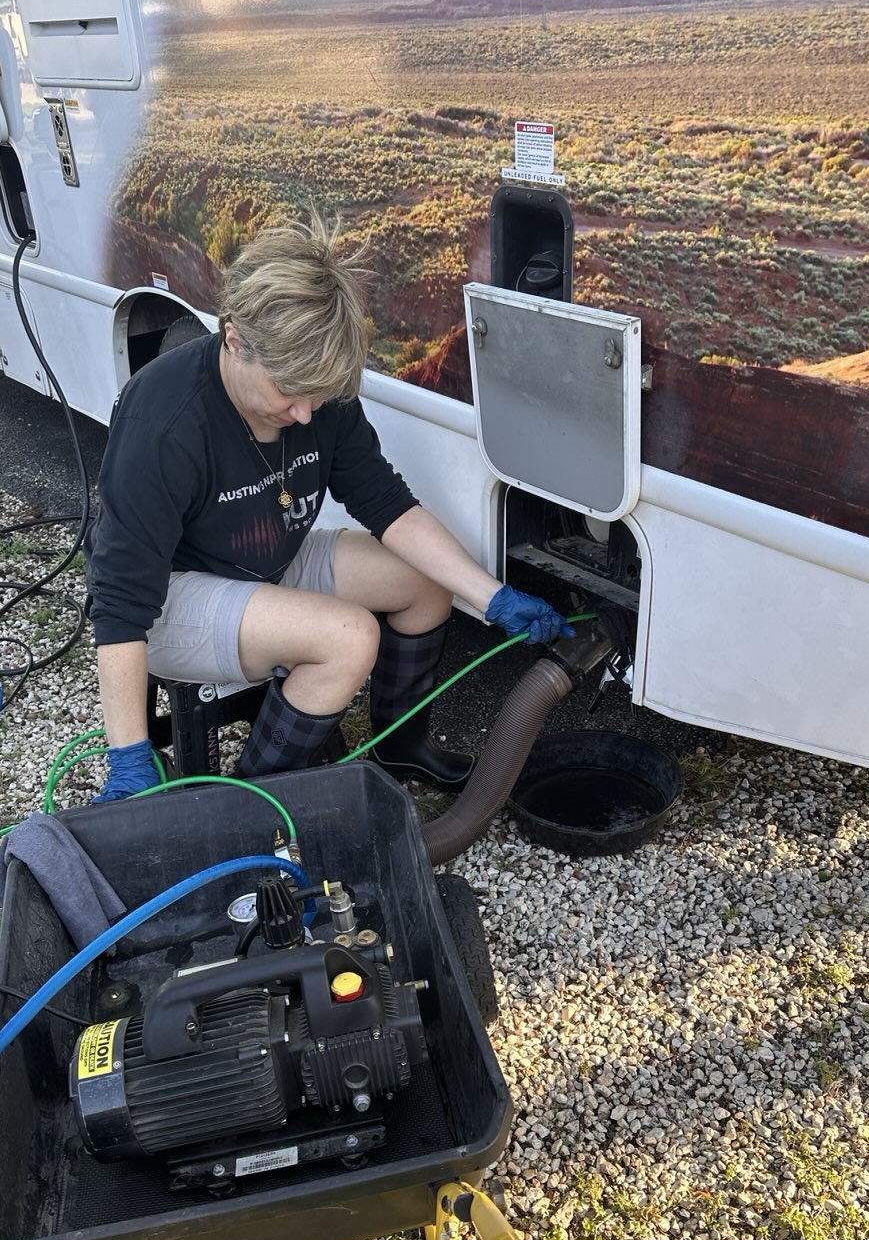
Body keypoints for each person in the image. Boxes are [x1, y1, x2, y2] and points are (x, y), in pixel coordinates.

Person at [86, 216, 572, 802]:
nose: (305, 416)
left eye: (318, 396)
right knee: (348, 638)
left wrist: (490, 595)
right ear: (234, 339)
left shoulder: (318, 396)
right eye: (289, 395)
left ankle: (400, 747)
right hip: (173, 594)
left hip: (264, 555)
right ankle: (245, 804)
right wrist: (130, 756)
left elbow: (388, 506)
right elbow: (119, 606)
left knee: (425, 581)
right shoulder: (164, 424)